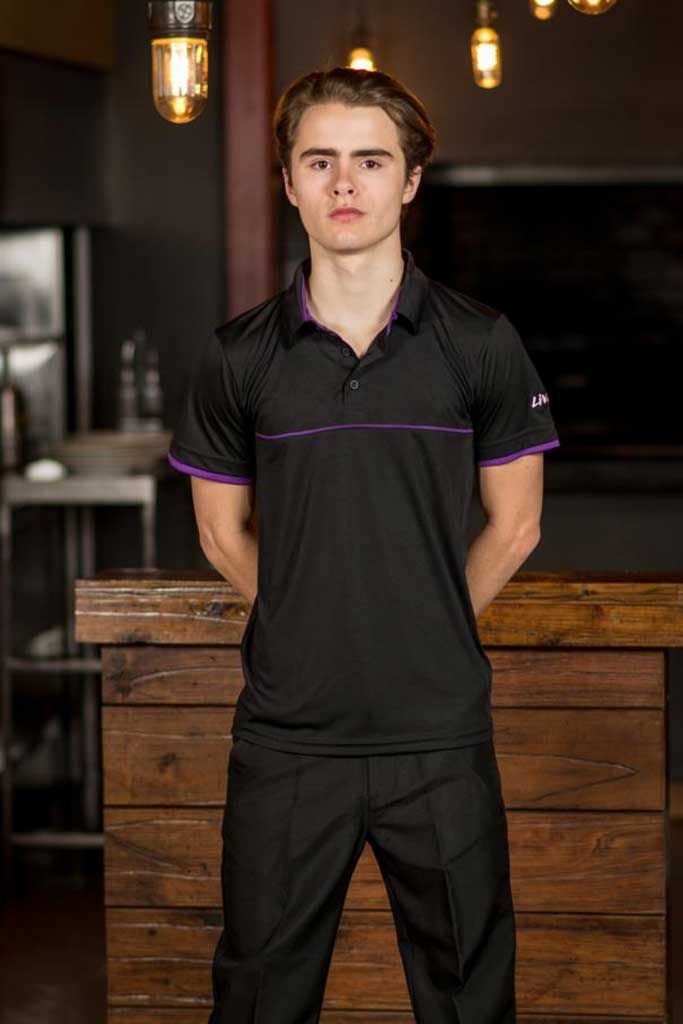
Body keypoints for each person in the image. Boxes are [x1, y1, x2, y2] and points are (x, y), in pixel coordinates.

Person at [168, 65, 560, 1024]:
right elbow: (220, 532)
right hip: (288, 737)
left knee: (468, 996)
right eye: (320, 161)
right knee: (260, 995)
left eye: (370, 161)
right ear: (289, 182)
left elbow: (516, 525)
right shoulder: (237, 354)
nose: (344, 183)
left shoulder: (480, 342)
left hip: (439, 735)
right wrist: (312, 622)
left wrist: (419, 623)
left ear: (410, 180)